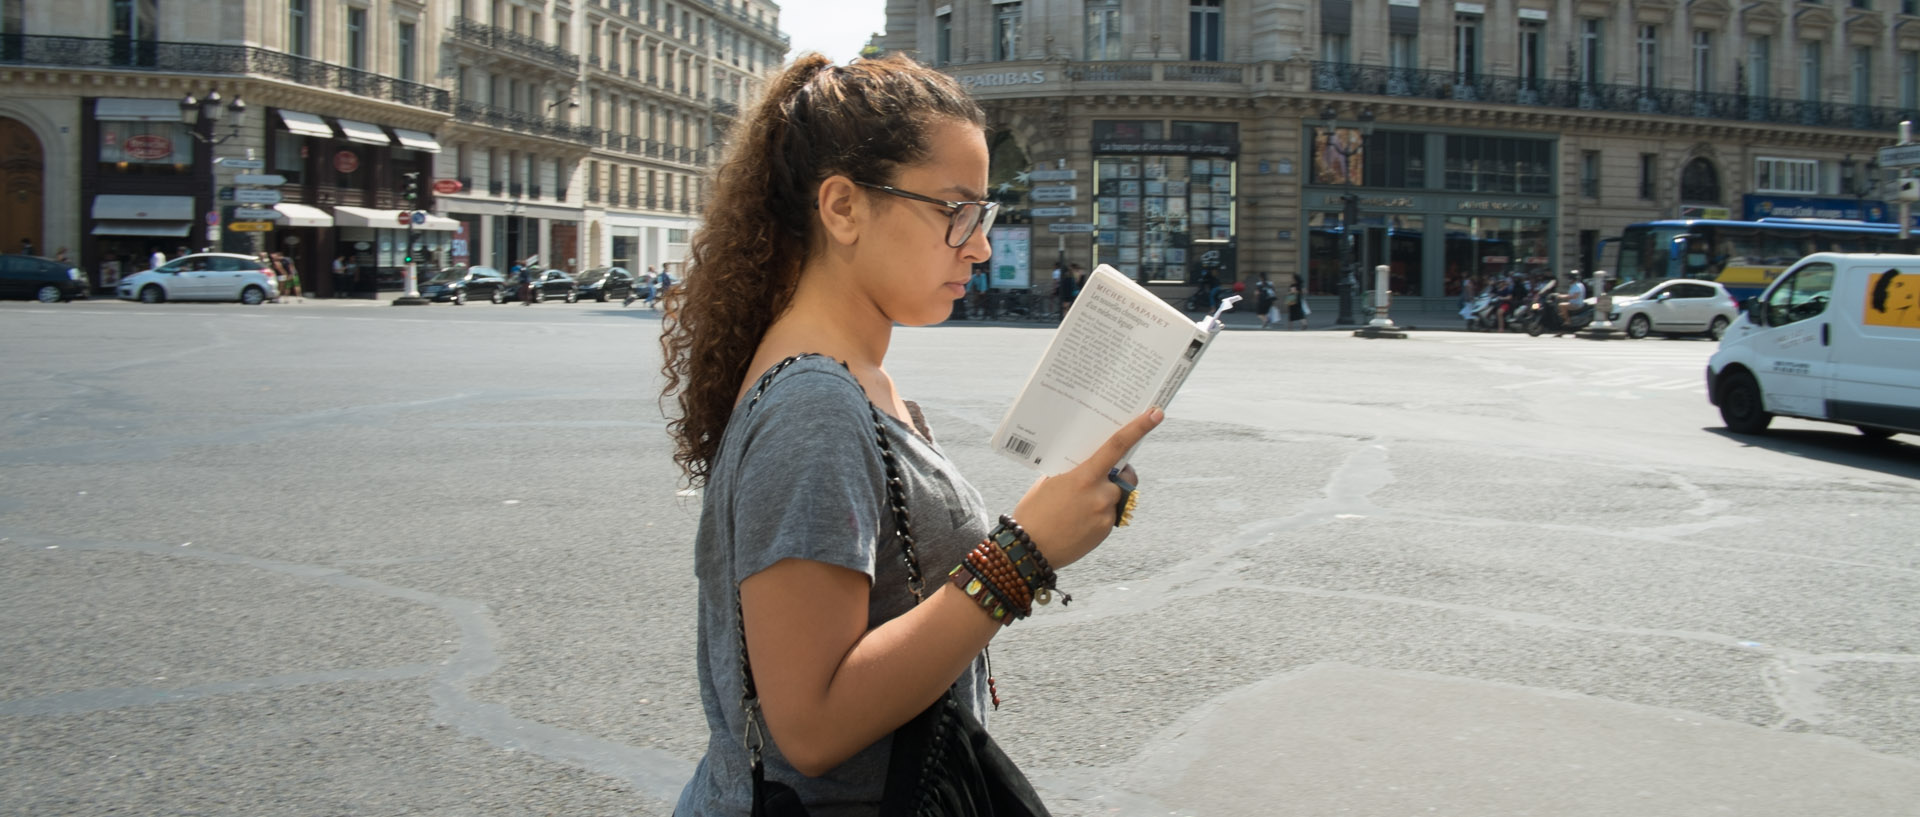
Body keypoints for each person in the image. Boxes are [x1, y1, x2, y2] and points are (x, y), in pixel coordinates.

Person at [660, 53, 1161, 816]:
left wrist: (1059, 518)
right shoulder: (814, 405)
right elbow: (811, 725)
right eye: (954, 210)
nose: (981, 245)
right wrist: (1023, 553)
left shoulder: (864, 383)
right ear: (842, 207)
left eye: (983, 214)